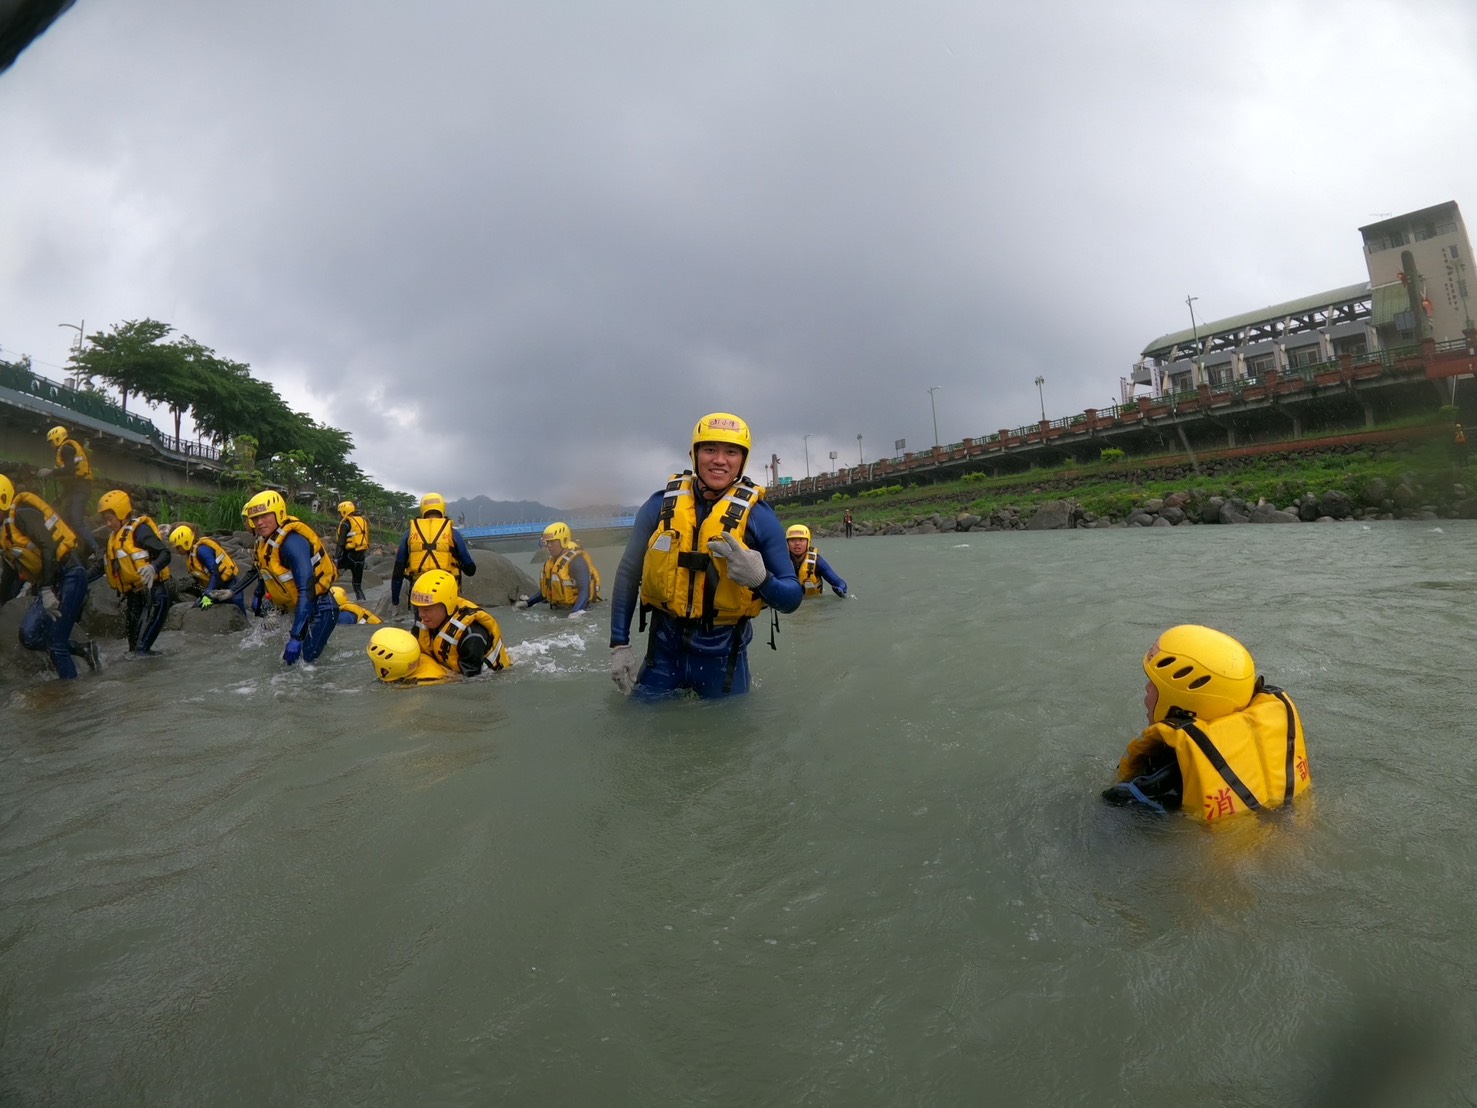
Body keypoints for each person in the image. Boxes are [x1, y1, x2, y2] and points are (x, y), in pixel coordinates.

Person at [608, 412, 802, 700]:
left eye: (731, 452)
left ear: (742, 460)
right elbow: (628, 572)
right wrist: (619, 644)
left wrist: (762, 580)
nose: (720, 460)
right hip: (663, 652)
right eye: (710, 449)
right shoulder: (658, 506)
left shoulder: (760, 517)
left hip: (723, 659)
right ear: (694, 454)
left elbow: (792, 597)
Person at [1102, 624, 1311, 822]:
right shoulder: (1276, 742)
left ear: (1180, 702)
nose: (1147, 689)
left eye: (1154, 684)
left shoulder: (1150, 785)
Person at [0, 474, 100, 677]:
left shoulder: (23, 514)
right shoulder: (5, 533)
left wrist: (45, 589)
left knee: (56, 646)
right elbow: (10, 574)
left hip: (70, 575)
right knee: (28, 636)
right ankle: (84, 650)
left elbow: (49, 547)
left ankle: (70, 701)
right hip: (53, 582)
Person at [243, 489, 339, 665]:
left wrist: (296, 636)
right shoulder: (266, 540)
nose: (259, 522)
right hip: (300, 608)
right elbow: (262, 572)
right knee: (293, 663)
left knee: (304, 663)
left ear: (279, 513)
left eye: (265, 516)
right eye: (255, 518)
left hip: (321, 609)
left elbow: (306, 589)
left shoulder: (292, 543)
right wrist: (257, 594)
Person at [99, 488, 173, 657]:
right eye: (105, 520)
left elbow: (165, 554)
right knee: (132, 649)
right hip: (135, 597)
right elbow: (100, 566)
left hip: (155, 594)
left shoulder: (140, 531)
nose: (108, 524)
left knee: (140, 651)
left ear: (121, 513)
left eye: (110, 519)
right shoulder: (114, 539)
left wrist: (152, 567)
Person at [409, 569, 510, 676]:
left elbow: (472, 681)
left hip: (490, 676)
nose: (420, 615)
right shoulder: (425, 621)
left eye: (426, 609)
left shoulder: (472, 635)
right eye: (418, 608)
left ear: (446, 605)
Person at [389, 492, 477, 607]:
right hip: (445, 587)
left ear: (422, 509)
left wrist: (395, 599)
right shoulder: (452, 533)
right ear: (442, 509)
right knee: (448, 622)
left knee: (422, 621)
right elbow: (470, 569)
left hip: (420, 586)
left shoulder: (409, 533)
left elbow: (398, 568)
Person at [37, 424, 101, 560]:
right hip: (78, 489)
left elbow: (70, 470)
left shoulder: (66, 449)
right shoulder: (67, 449)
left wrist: (50, 472)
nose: (50, 446)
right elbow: (71, 484)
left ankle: (96, 549)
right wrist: (60, 499)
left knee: (77, 521)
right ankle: (72, 549)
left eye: (51, 442)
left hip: (81, 489)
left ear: (57, 438)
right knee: (64, 519)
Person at [516, 521, 602, 617]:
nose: (549, 545)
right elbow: (546, 590)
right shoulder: (551, 562)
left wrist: (576, 612)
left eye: (552, 541)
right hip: (558, 610)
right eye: (547, 542)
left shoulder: (577, 562)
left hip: (578, 610)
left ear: (564, 541)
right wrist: (528, 603)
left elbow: (585, 591)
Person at [169, 523, 253, 613]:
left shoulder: (202, 550)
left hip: (230, 584)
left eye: (178, 547)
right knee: (198, 607)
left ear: (186, 542)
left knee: (238, 610)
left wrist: (208, 593)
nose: (177, 550)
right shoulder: (191, 554)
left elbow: (216, 572)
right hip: (217, 586)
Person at [365, 626, 457, 685]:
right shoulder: (412, 654)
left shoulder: (422, 684)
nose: (372, 663)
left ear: (385, 670)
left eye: (373, 661)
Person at [785, 524, 848, 599]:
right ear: (787, 543)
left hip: (814, 606)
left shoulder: (817, 561)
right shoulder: (781, 561)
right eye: (792, 540)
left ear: (808, 542)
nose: (797, 543)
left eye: (801, 540)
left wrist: (840, 589)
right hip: (789, 605)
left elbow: (839, 582)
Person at [335, 500, 371, 601]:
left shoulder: (346, 523)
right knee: (357, 586)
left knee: (330, 571)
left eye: (340, 512)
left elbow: (341, 543)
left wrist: (336, 558)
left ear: (344, 511)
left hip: (349, 556)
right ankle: (363, 603)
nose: (339, 515)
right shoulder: (362, 521)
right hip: (361, 558)